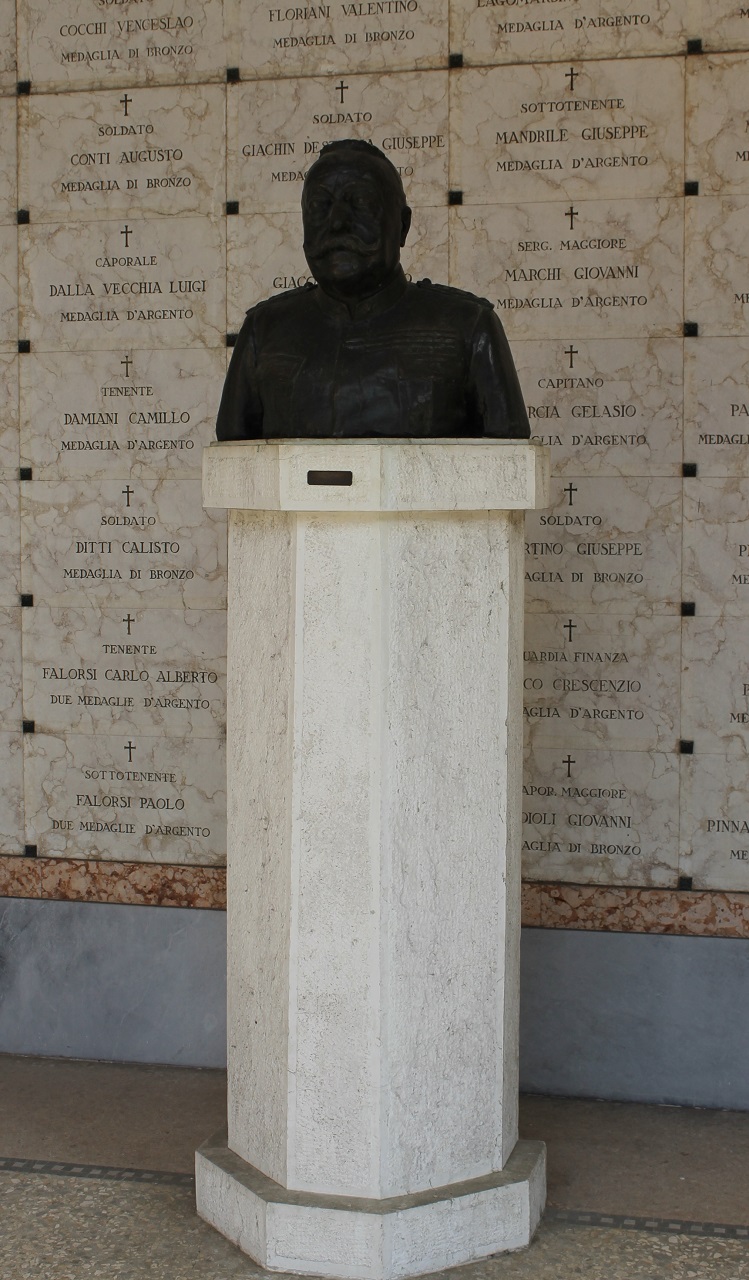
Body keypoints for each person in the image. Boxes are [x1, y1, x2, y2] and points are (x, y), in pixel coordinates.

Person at [216, 138, 530, 440]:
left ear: (403, 226)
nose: (337, 222)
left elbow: (510, 468)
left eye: (361, 203)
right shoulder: (264, 331)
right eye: (319, 206)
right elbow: (232, 466)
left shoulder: (468, 328)